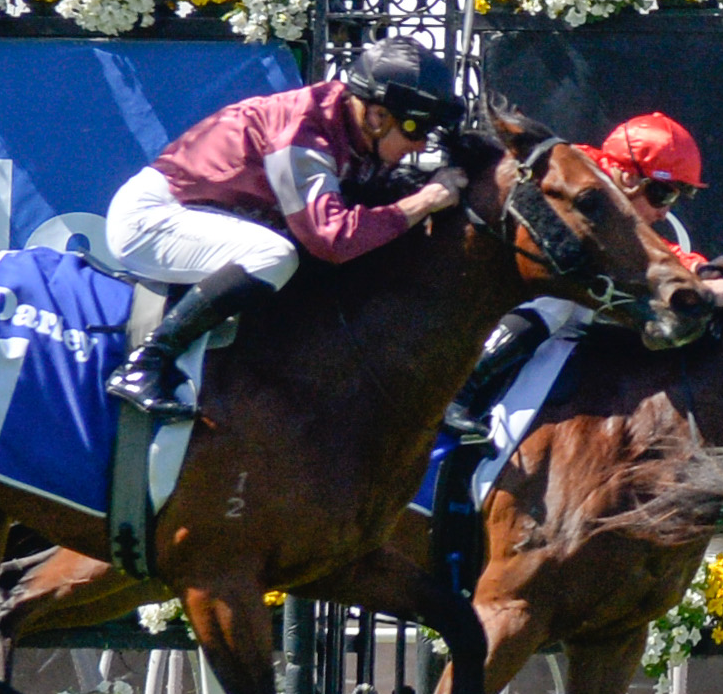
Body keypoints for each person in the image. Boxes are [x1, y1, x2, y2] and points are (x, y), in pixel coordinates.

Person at [95, 38, 472, 417]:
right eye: (415, 130)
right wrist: (424, 201)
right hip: (152, 219)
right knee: (274, 256)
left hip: (208, 215)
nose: (421, 144)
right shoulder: (302, 133)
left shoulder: (346, 122)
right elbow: (332, 239)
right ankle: (145, 363)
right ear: (376, 116)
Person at [440, 110, 714, 425]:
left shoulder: (607, 189)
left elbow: (651, 250)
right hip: (484, 288)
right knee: (570, 292)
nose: (665, 212)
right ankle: (463, 386)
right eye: (662, 193)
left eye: (676, 198)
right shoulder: (575, 175)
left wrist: (700, 272)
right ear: (626, 176)